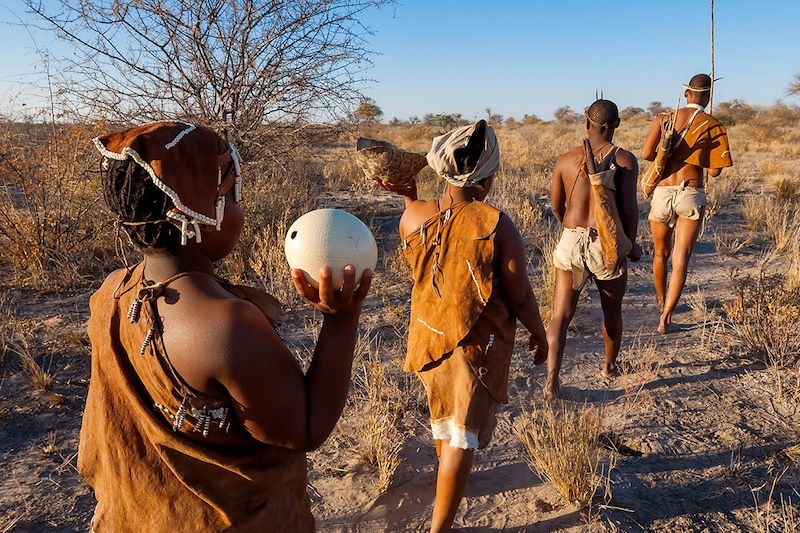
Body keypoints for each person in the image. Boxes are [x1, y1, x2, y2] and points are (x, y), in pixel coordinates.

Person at [80, 121, 372, 532]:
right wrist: (341, 320)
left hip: (144, 516)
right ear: (195, 213)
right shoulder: (226, 325)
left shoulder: (112, 290)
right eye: (232, 197)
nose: (241, 208)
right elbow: (304, 429)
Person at [375, 120, 548, 533]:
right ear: (486, 179)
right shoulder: (495, 223)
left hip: (428, 340)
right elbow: (520, 293)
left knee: (444, 423)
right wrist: (539, 331)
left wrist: (410, 199)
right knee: (462, 436)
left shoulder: (413, 216)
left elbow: (425, 241)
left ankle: (445, 490)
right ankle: (441, 528)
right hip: (474, 348)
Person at [546, 99, 640, 400]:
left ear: (586, 122)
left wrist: (572, 230)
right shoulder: (624, 159)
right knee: (611, 311)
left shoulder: (565, 159)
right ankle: (610, 367)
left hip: (571, 242)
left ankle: (551, 382)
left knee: (561, 314)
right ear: (616, 125)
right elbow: (628, 210)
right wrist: (628, 245)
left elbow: (556, 207)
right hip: (606, 244)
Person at [642, 74, 733, 333]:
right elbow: (714, 171)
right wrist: (700, 150)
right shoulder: (713, 125)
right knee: (681, 258)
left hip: (662, 191)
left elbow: (648, 154)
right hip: (691, 193)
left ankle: (661, 301)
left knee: (660, 253)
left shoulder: (664, 118)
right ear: (708, 96)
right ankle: (666, 317)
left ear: (686, 94)